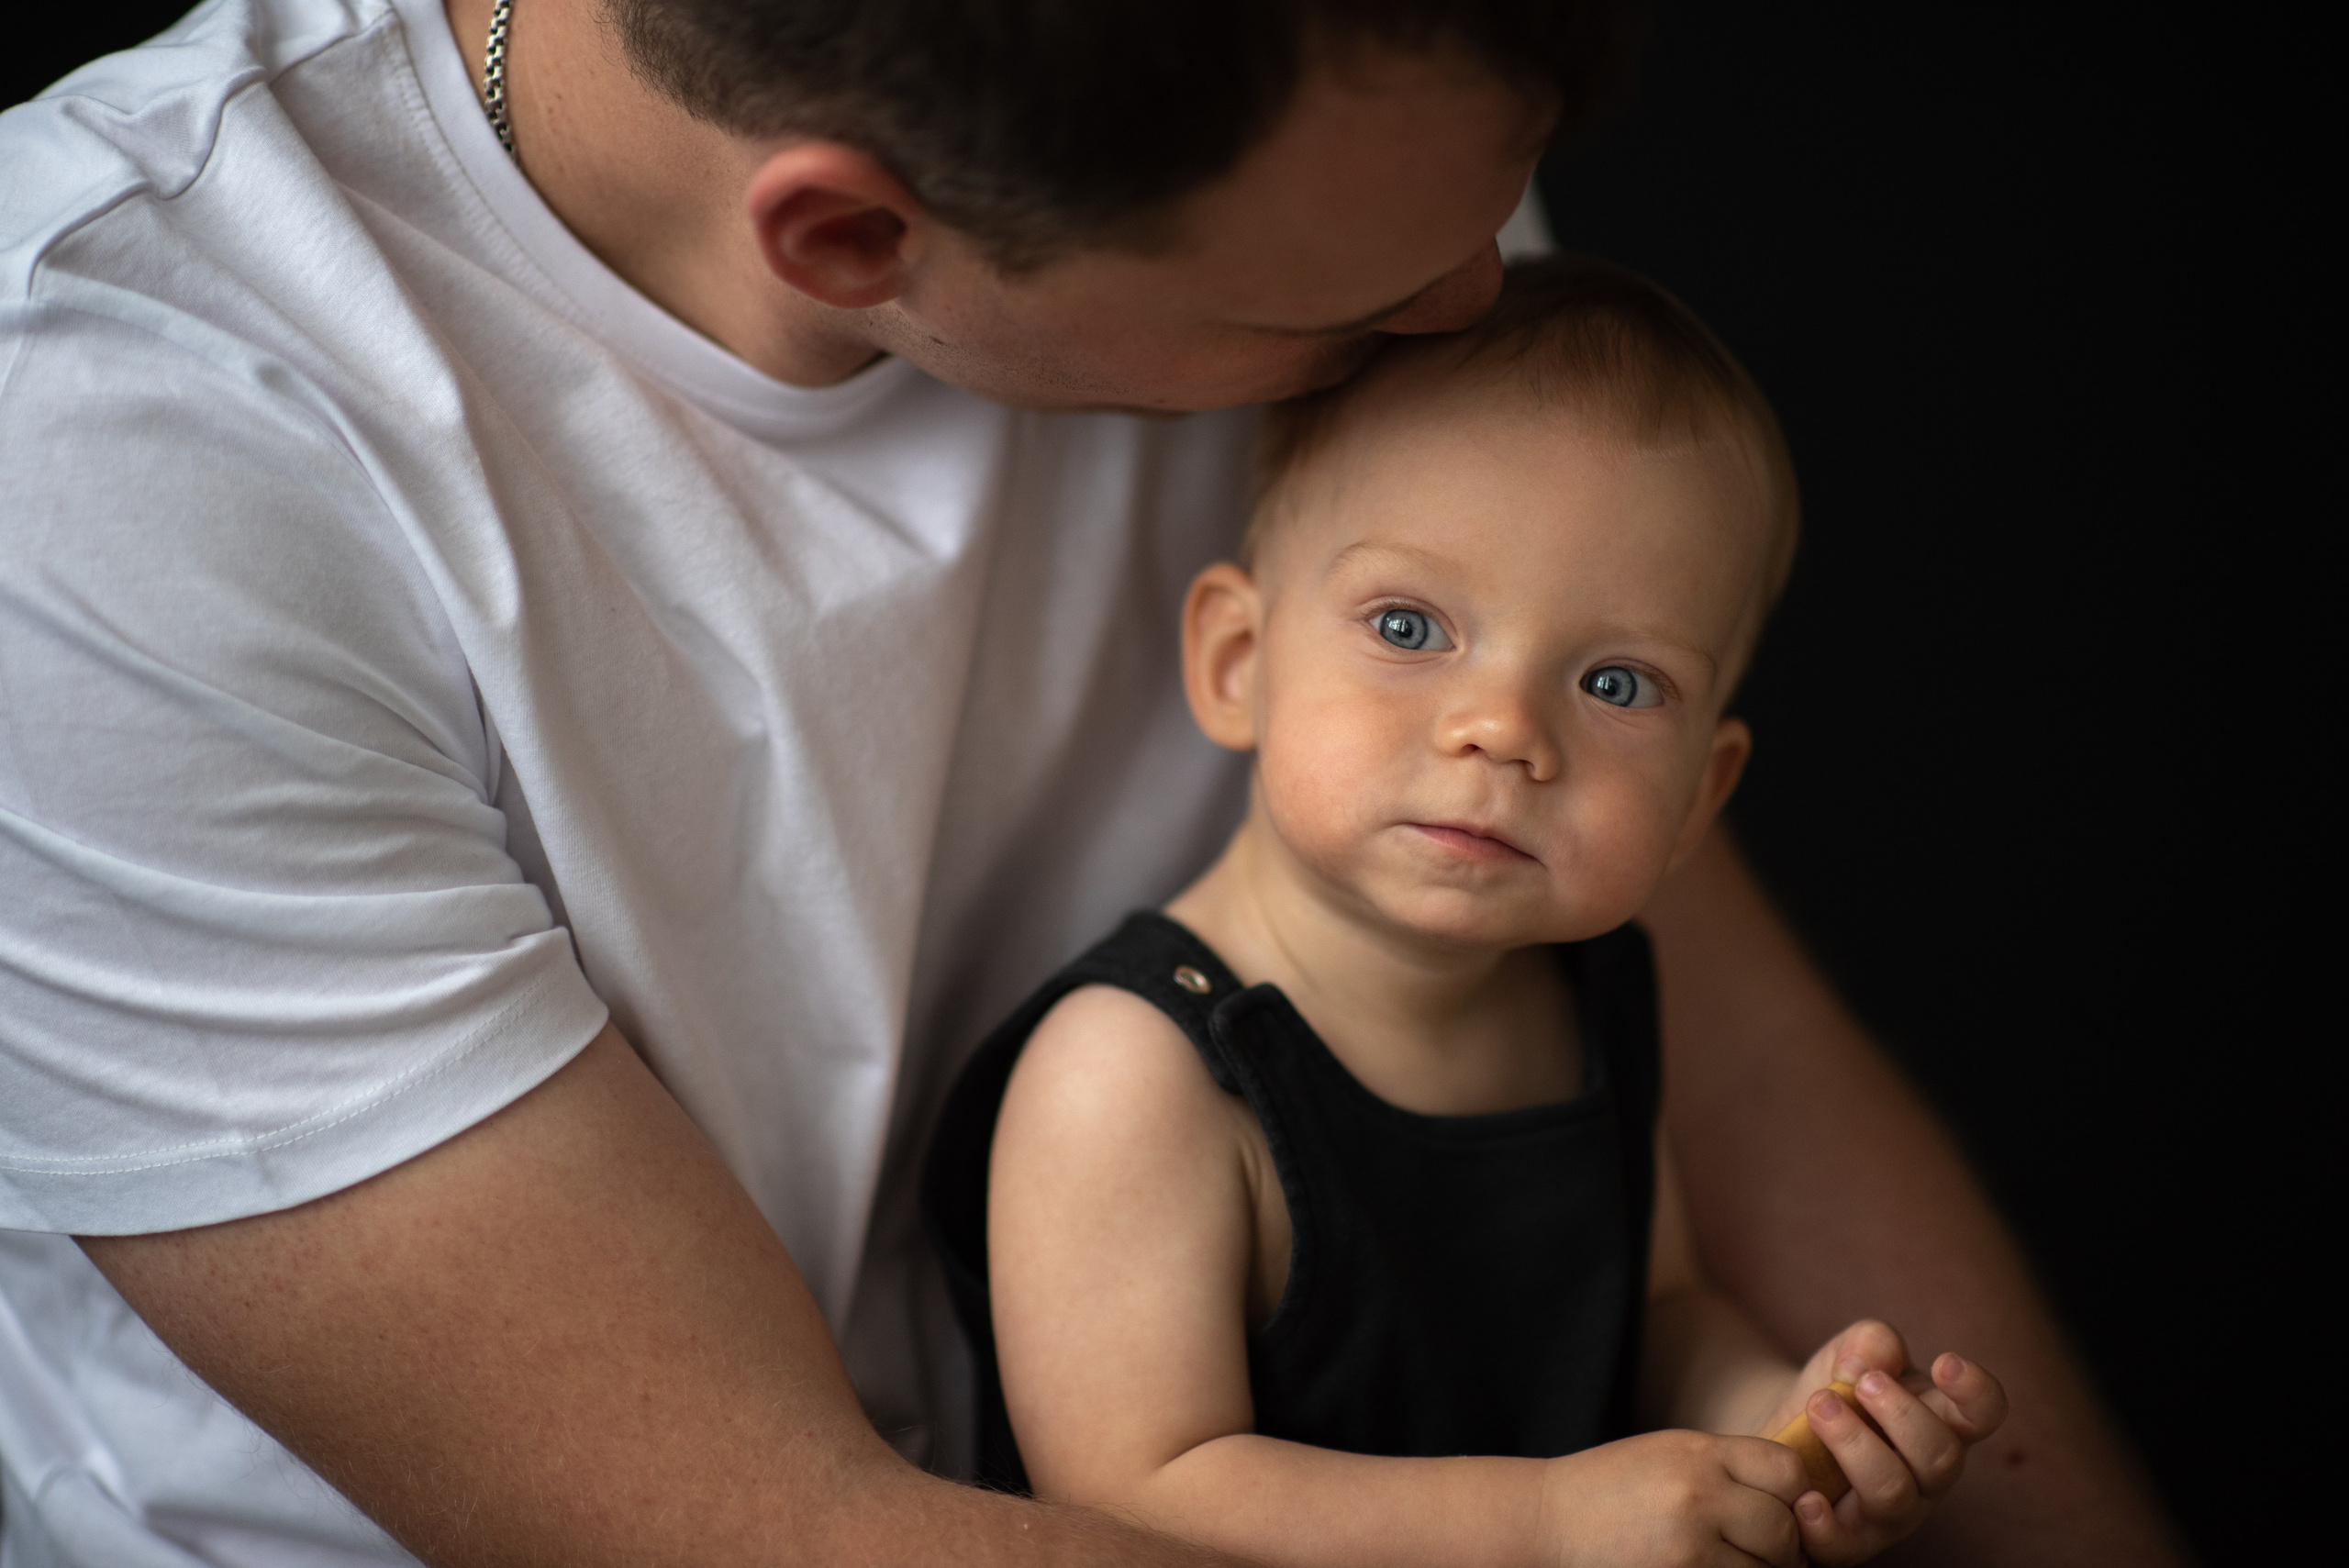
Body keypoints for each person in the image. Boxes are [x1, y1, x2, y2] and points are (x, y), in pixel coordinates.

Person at [0, 1, 2178, 1564]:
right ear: (852, 241)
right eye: (1345, 307)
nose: (1471, 305)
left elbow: (1741, 1066)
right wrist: (1547, 1523)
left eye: (1488, 218)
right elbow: (782, 1535)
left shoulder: (1304, 124)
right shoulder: (120, 444)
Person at [930, 259, 2007, 1568]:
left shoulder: (1591, 998)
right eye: (1409, 623)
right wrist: (1547, 1523)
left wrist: (1777, 1427)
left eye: (1615, 680)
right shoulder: (1136, 1074)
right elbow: (1129, 1491)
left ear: (1696, 801)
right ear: (1238, 662)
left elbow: (1658, 1312)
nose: (1502, 728)